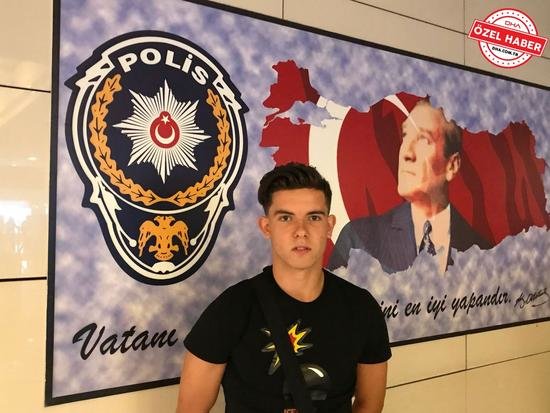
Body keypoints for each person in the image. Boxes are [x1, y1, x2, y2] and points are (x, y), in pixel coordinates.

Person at [176, 162, 391, 413]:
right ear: (267, 227)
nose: (301, 231)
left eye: (314, 217)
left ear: (329, 225)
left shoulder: (361, 308)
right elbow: (190, 409)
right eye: (286, 218)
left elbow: (369, 404)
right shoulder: (230, 309)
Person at [328, 100, 490, 274]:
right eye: (405, 135)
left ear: (452, 166)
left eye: (424, 139)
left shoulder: (482, 253)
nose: (406, 153)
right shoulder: (357, 239)